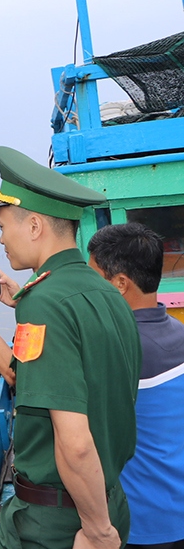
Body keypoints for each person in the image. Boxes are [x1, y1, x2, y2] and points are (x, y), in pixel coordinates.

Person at [0, 146, 140, 549]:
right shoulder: (107, 292)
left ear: (35, 225)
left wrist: (97, 530)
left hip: (58, 523)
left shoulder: (45, 303)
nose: (0, 238)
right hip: (108, 499)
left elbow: (74, 442)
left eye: (3, 225)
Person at [87, 223, 184, 549]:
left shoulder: (115, 348)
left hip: (144, 523)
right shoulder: (177, 333)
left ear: (120, 284)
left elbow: (18, 376)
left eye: (92, 278)